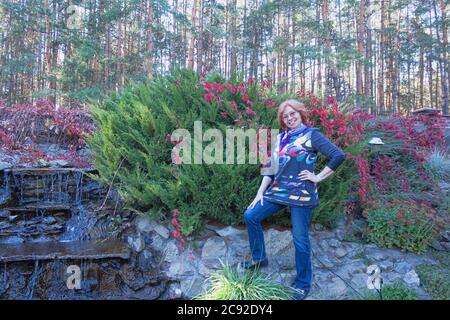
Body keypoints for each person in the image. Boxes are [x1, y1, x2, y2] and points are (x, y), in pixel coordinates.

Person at [241, 99, 346, 300]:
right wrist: (260, 193)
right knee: (251, 215)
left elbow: (338, 155)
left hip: (302, 194)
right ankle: (259, 258)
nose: (289, 118)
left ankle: (303, 284)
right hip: (278, 191)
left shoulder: (312, 135)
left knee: (300, 239)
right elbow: (270, 168)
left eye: (293, 114)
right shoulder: (281, 138)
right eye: (285, 116)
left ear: (300, 113)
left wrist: (318, 177)